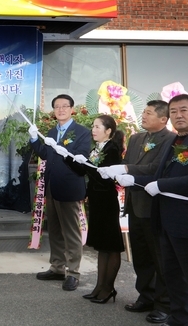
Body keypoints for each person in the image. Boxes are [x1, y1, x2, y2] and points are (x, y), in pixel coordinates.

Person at [116, 93, 188, 326]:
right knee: (158, 264)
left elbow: (158, 174)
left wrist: (157, 183)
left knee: (174, 269)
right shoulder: (172, 141)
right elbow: (157, 173)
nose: (179, 116)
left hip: (179, 217)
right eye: (175, 111)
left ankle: (167, 306)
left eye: (184, 110)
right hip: (155, 213)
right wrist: (128, 177)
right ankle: (167, 310)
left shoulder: (169, 139)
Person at [99, 100, 173, 323]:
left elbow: (155, 169)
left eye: (149, 113)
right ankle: (145, 296)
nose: (143, 116)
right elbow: (127, 161)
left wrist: (126, 169)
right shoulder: (136, 138)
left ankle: (164, 304)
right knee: (141, 256)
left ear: (163, 118)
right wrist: (121, 169)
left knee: (159, 258)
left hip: (155, 208)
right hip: (135, 205)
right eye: (144, 112)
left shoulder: (170, 140)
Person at [28, 94, 91, 291]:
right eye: (57, 107)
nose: (61, 110)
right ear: (54, 111)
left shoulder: (81, 132)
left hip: (70, 188)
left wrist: (70, 155)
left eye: (65, 106)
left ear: (72, 109)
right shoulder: (51, 131)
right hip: (52, 188)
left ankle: (73, 272)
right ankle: (57, 267)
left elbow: (82, 157)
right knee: (54, 230)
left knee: (71, 232)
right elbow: (46, 154)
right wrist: (33, 138)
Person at [64, 115, 125, 304]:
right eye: (93, 126)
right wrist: (67, 156)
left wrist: (87, 164)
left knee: (111, 245)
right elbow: (83, 171)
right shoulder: (97, 148)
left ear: (108, 131)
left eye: (98, 127)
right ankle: (99, 286)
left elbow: (104, 176)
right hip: (97, 202)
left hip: (107, 202)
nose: (93, 130)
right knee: (101, 246)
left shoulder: (112, 149)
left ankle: (108, 288)